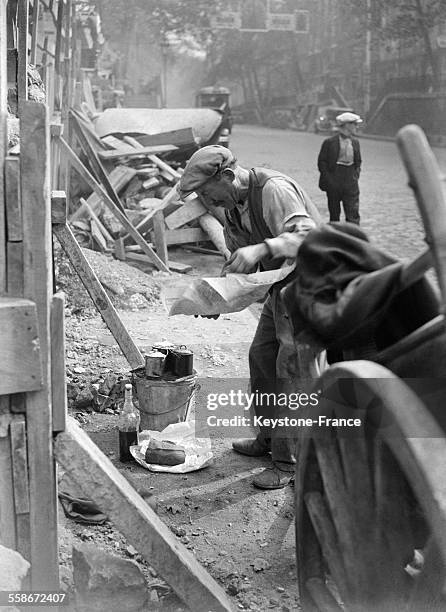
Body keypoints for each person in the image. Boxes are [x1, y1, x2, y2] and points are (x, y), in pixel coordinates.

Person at [178, 145, 323, 489]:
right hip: (279, 286)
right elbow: (237, 263)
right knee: (261, 357)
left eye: (207, 192)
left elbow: (307, 236)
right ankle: (269, 438)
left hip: (309, 285)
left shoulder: (273, 190)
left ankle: (288, 462)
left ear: (227, 177)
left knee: (291, 371)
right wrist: (218, 298)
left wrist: (261, 249)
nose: (207, 200)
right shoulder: (233, 205)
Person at [317, 111, 362, 224]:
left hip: (350, 180)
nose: (356, 127)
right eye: (354, 124)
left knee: (353, 212)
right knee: (334, 213)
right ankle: (335, 237)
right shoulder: (329, 142)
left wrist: (355, 175)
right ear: (347, 125)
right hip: (335, 178)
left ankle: (352, 236)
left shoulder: (355, 142)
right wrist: (329, 179)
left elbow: (358, 161)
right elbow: (322, 162)